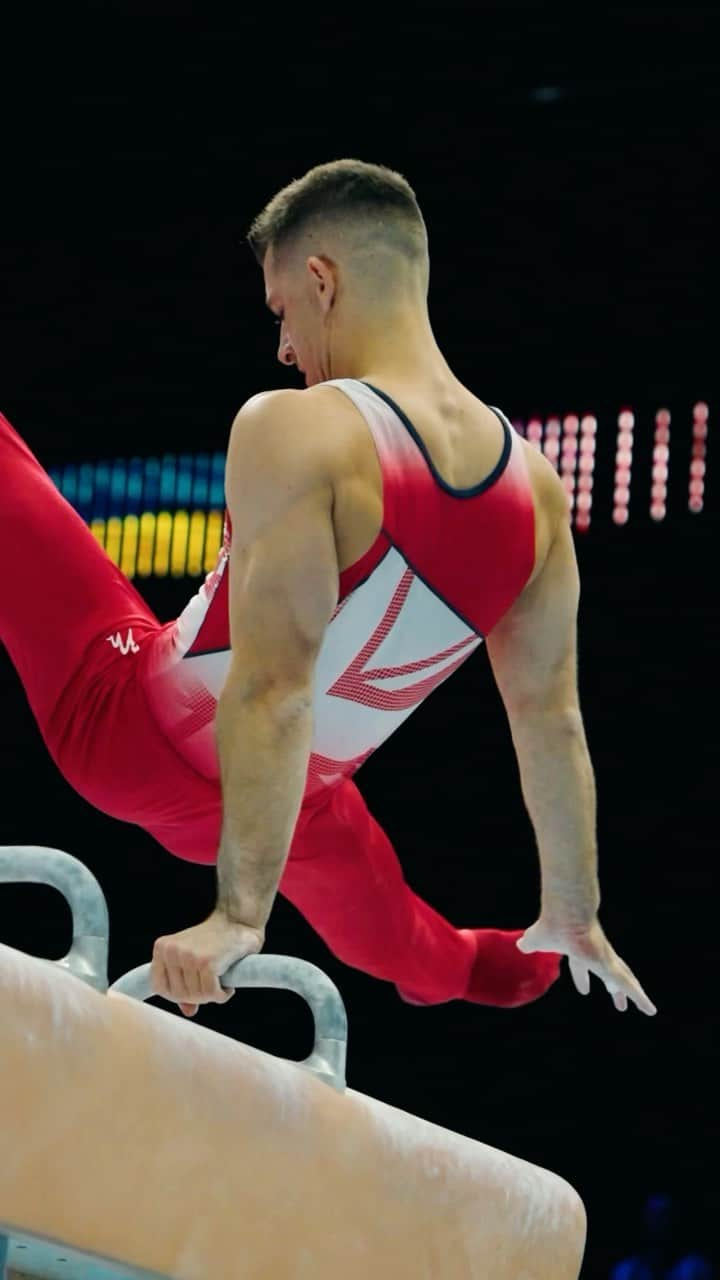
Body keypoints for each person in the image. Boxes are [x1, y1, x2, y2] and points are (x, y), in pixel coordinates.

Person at [1, 159, 655, 1022]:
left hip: (132, 732)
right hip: (291, 806)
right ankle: (461, 966)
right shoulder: (535, 493)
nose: (281, 347)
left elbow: (272, 688)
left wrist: (238, 918)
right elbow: (550, 720)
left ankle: (448, 958)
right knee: (397, 936)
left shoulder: (300, 429)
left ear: (321, 279)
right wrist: (575, 905)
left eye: (280, 311)